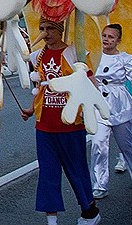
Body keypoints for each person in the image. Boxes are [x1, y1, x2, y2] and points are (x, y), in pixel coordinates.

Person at [21, 18, 101, 225]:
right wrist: (31, 108)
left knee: (76, 170)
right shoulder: (38, 56)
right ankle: (51, 221)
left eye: (49, 29)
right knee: (48, 173)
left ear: (60, 30)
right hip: (44, 127)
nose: (45, 33)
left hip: (71, 125)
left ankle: (89, 211)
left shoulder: (76, 53)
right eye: (42, 29)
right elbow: (40, 89)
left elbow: (91, 85)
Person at [89, 24, 132, 199]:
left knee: (127, 144)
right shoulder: (92, 55)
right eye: (104, 35)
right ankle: (99, 185)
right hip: (98, 104)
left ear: (118, 40)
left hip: (119, 104)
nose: (106, 40)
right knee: (98, 144)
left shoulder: (126, 58)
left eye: (111, 37)